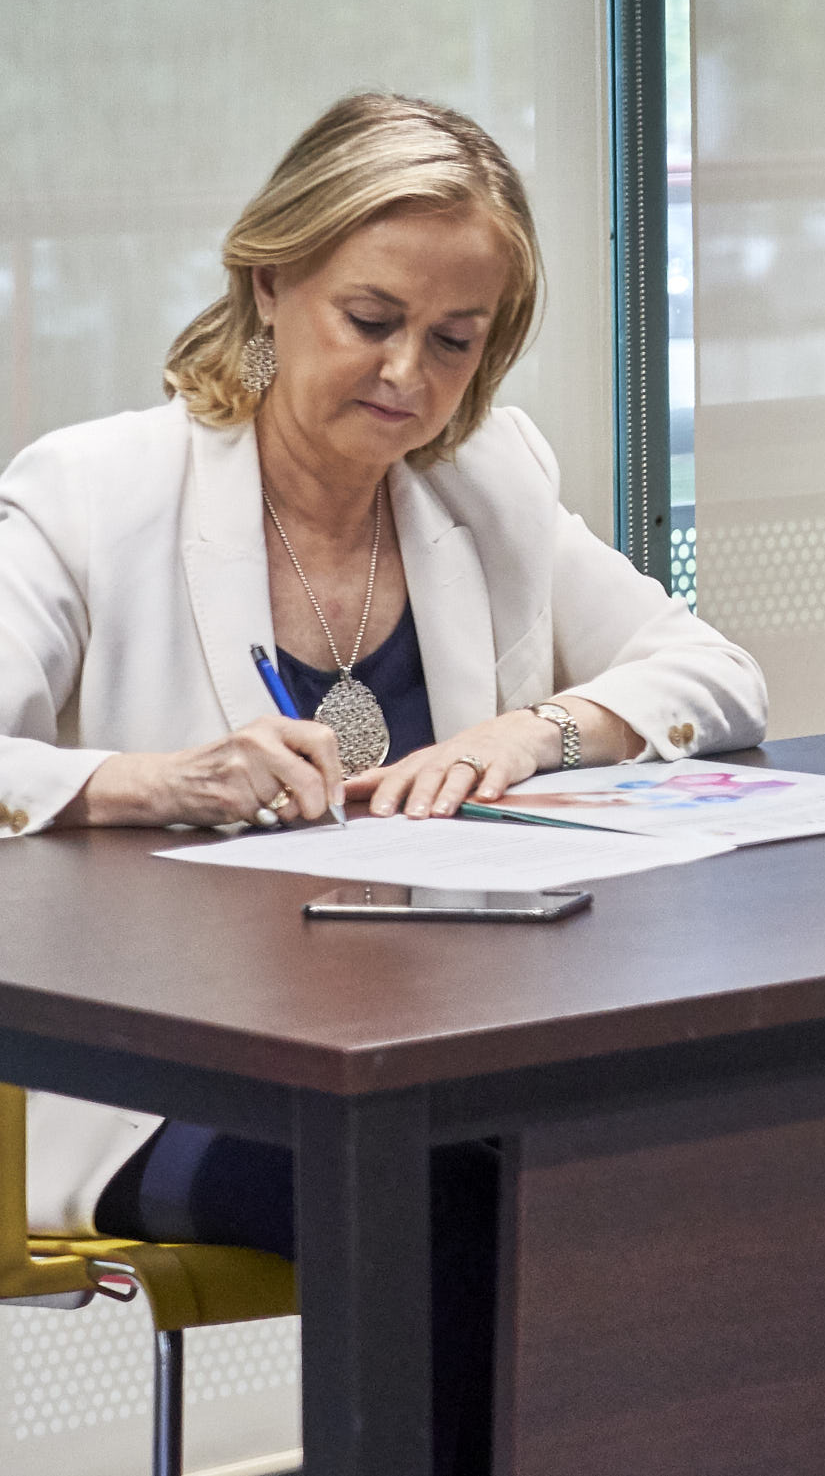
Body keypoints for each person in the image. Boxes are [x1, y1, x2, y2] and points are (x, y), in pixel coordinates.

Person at [0, 91, 770, 1465]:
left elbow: (713, 672)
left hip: (448, 1049)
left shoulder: (489, 481)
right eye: (372, 321)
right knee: (466, 1199)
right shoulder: (92, 492)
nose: (410, 376)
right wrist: (149, 780)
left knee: (686, 1156)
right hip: (176, 1083)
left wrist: (534, 732)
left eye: (456, 341)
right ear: (271, 279)